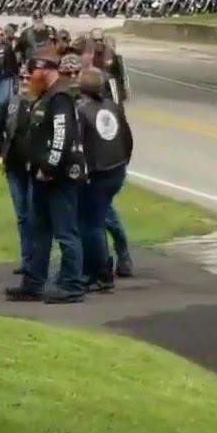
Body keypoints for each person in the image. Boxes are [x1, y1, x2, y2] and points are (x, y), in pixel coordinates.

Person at [5, 47, 87, 304]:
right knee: (39, 231)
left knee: (65, 232)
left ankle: (72, 285)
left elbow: (61, 136)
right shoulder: (45, 96)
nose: (29, 76)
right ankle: (34, 283)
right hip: (40, 174)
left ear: (44, 71)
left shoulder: (59, 97)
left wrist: (50, 168)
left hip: (58, 177)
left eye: (32, 71)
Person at [76, 67, 133, 292]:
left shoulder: (81, 112)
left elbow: (78, 146)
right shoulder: (112, 106)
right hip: (116, 170)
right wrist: (123, 161)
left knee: (91, 225)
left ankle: (99, 273)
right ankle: (104, 265)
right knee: (99, 219)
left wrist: (82, 173)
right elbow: (127, 138)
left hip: (97, 173)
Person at [0, 61, 34, 278]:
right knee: (22, 216)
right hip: (14, 166)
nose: (25, 82)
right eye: (22, 78)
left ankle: (38, 261)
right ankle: (27, 260)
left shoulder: (44, 103)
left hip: (36, 169)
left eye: (29, 78)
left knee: (35, 215)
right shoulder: (11, 103)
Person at [89, 28, 129, 103]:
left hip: (109, 87)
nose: (98, 42)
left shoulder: (110, 54)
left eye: (100, 40)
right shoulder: (87, 54)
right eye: (95, 40)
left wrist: (124, 91)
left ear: (103, 39)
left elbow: (120, 74)